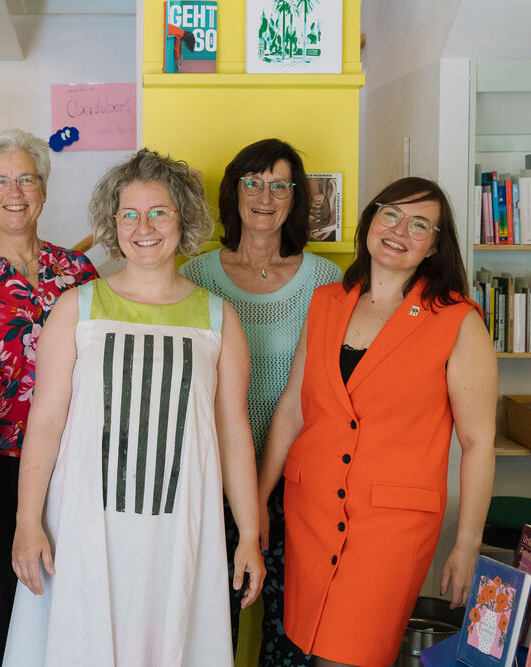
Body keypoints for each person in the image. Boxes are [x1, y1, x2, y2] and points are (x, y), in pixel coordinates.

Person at [4, 148, 264, 665]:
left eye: (158, 212)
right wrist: (27, 520)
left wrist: (250, 534)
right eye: (130, 214)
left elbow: (234, 433)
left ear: (184, 219)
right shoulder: (77, 308)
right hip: (82, 522)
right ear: (113, 223)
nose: (144, 227)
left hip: (181, 525)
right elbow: (47, 421)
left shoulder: (219, 318)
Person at [258, 177, 497, 667]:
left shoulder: (458, 321)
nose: (399, 231)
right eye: (391, 214)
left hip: (391, 528)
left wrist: (467, 543)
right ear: (371, 220)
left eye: (419, 225)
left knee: (352, 655)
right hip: (310, 514)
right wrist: (258, 501)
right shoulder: (326, 302)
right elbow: (293, 407)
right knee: (308, 646)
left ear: (435, 246)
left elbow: (478, 442)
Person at [0, 128, 97, 666]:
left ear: (44, 190)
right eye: (0, 181)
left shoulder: (79, 273)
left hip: (68, 461)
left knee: (61, 603)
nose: (14, 192)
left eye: (26, 179)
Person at [180, 138, 341, 664]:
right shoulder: (193, 277)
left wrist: (265, 489)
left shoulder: (326, 281)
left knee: (290, 628)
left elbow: (320, 391)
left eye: (279, 186)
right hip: (213, 476)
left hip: (298, 480)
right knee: (209, 621)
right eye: (253, 183)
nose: (265, 197)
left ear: (296, 198)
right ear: (234, 192)